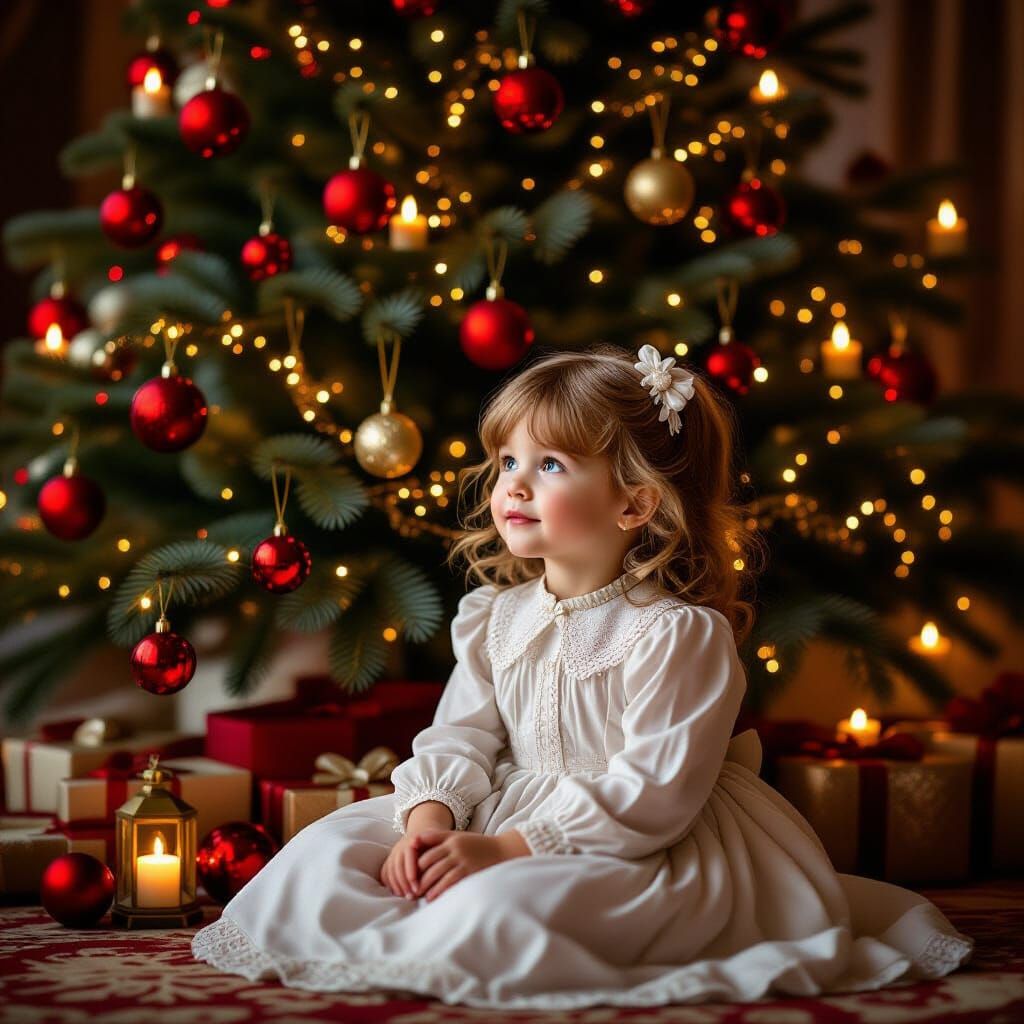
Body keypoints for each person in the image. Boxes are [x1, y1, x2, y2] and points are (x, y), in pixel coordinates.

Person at [191, 343, 973, 1008]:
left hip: (639, 841)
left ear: (634, 504)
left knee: (502, 909)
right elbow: (460, 736)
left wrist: (510, 848)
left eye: (551, 464)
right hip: (501, 809)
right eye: (508, 461)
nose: (513, 485)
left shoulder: (678, 635)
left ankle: (482, 917)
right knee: (326, 855)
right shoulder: (494, 616)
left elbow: (656, 793)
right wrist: (430, 820)